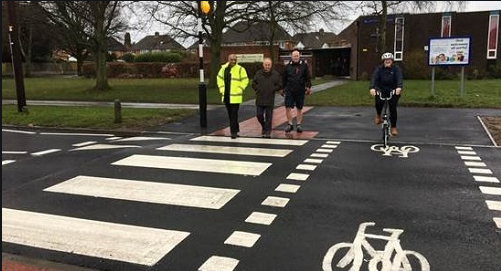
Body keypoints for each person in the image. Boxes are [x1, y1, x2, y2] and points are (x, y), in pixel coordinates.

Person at [369, 52, 403, 136]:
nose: (387, 61)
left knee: (393, 108)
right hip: (381, 89)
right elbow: (374, 78)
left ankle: (393, 128)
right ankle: (378, 115)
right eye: (386, 60)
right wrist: (372, 88)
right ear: (383, 61)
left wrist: (399, 87)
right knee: (378, 103)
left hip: (393, 90)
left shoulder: (396, 69)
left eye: (389, 60)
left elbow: (399, 78)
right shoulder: (379, 69)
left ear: (392, 61)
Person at [217, 54, 249, 139]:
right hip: (226, 96)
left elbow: (245, 80)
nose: (233, 61)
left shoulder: (240, 69)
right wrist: (221, 89)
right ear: (228, 59)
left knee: (233, 114)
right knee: (230, 114)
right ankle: (236, 129)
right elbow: (219, 78)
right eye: (232, 59)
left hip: (235, 96)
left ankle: (233, 132)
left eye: (235, 60)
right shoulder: (223, 68)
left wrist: (240, 88)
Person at [282, 49, 312, 133]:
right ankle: (290, 124)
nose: (295, 57)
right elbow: (284, 79)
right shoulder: (287, 67)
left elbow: (308, 77)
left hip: (300, 90)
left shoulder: (304, 66)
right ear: (291, 57)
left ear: (299, 56)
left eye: (297, 56)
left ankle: (299, 124)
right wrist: (282, 89)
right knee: (288, 107)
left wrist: (308, 87)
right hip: (289, 90)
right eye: (294, 56)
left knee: (299, 108)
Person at [251, 57, 282, 138]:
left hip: (270, 98)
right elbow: (253, 83)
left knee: (269, 116)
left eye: (269, 65)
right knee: (259, 115)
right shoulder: (258, 73)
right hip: (260, 98)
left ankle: (268, 130)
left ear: (271, 65)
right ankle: (264, 126)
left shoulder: (275, 74)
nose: (267, 66)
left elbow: (280, 84)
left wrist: (273, 89)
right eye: (266, 65)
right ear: (263, 65)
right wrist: (258, 89)